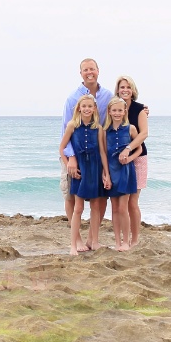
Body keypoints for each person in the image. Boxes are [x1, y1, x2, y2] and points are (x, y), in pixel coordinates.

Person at [60, 58, 113, 223]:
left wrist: (142, 111)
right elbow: (65, 131)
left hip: (97, 154)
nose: (89, 72)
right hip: (75, 153)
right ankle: (74, 231)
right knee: (71, 195)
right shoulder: (72, 98)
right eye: (86, 70)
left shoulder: (108, 96)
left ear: (98, 71)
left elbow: (121, 110)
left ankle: (94, 230)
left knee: (100, 195)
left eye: (92, 69)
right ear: (81, 73)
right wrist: (71, 157)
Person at [59, 94, 111, 255]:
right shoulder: (72, 125)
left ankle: (94, 241)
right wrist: (69, 166)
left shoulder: (99, 128)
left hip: (95, 169)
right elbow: (62, 148)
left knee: (95, 206)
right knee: (78, 208)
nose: (87, 109)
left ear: (94, 108)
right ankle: (73, 245)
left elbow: (102, 153)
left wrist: (106, 173)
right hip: (79, 171)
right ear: (79, 108)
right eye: (84, 106)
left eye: (90, 106)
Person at [102, 96, 140, 251]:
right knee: (115, 208)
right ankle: (117, 241)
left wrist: (129, 158)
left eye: (120, 110)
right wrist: (105, 175)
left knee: (123, 208)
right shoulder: (105, 131)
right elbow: (104, 154)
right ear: (109, 112)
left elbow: (139, 148)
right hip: (112, 171)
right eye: (114, 110)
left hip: (126, 172)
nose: (117, 113)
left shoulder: (130, 128)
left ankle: (126, 241)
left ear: (125, 111)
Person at [115, 76, 149, 247]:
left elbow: (144, 134)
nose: (125, 90)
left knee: (132, 202)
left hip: (138, 157)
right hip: (120, 160)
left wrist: (128, 148)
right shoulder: (115, 108)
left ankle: (135, 240)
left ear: (133, 90)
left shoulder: (140, 109)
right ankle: (123, 239)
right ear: (118, 90)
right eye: (122, 87)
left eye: (128, 87)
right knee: (121, 203)